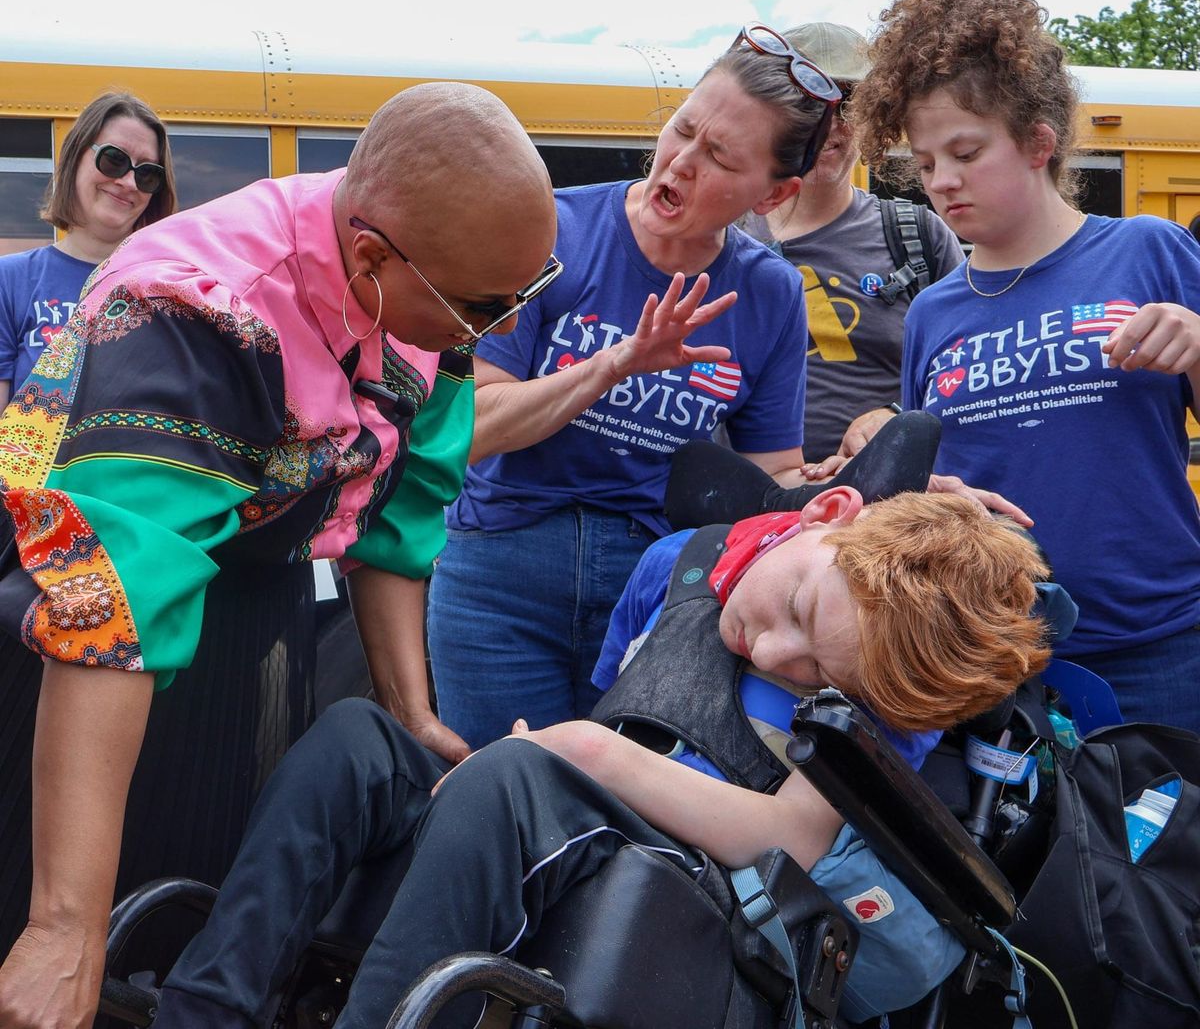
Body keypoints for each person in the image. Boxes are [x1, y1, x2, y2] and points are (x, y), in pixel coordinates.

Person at [0, 81, 560, 1029]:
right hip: (67, 617)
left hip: (248, 601)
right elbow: (113, 607)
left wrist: (410, 712)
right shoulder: (194, 310)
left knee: (191, 905)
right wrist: (64, 924)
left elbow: (396, 516)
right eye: (481, 307)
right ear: (374, 257)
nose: (495, 329)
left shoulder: (433, 282)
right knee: (62, 949)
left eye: (520, 298)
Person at [151, 487, 1051, 1028]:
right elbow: (625, 709)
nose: (778, 654)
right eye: (801, 614)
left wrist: (576, 752)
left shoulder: (891, 683)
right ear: (823, 513)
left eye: (817, 669)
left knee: (517, 777)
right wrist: (573, 752)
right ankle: (205, 1008)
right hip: (567, 816)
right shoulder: (676, 562)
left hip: (699, 887)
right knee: (358, 741)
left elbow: (795, 837)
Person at [428, 24, 842, 750]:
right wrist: (615, 363)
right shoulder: (551, 229)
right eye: (682, 128)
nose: (679, 162)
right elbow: (476, 424)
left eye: (718, 156)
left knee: (620, 818)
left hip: (652, 579)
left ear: (775, 191)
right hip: (501, 569)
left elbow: (768, 475)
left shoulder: (770, 292)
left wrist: (833, 487)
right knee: (496, 793)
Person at [851, 0, 1200, 731]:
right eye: (925, 161)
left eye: (967, 153)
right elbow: (923, 488)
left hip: (1162, 652)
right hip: (993, 658)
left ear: (1039, 142)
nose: (941, 182)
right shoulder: (934, 310)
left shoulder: (1148, 250)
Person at [741, 23, 964, 465]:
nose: (830, 124)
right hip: (751, 509)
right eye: (807, 101)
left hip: (886, 510)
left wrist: (895, 415)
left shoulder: (916, 236)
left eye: (848, 104)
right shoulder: (721, 237)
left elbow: (972, 366)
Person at [0, 91, 177, 404]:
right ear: (76, 155)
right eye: (114, 160)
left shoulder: (172, 287)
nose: (129, 182)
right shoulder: (9, 281)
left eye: (147, 173)